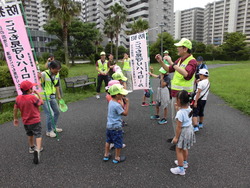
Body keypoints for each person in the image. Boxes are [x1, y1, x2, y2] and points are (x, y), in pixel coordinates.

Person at [155, 38, 197, 151]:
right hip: (176, 94)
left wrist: (172, 63)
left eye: (179, 46)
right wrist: (161, 61)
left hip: (183, 95)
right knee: (175, 118)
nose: (177, 48)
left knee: (181, 119)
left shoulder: (192, 61)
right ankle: (177, 138)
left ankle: (180, 142)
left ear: (185, 48)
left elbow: (186, 74)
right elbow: (168, 69)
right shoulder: (180, 60)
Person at [13, 80, 44, 164]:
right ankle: (38, 149)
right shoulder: (32, 97)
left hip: (26, 121)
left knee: (30, 134)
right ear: (30, 90)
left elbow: (15, 108)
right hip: (35, 120)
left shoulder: (18, 98)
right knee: (38, 134)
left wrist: (15, 118)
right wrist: (38, 94)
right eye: (32, 88)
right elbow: (41, 103)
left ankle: (31, 147)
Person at [170, 90, 195, 176]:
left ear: (179, 101)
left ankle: (181, 169)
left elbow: (179, 126)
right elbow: (184, 115)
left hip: (183, 132)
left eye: (176, 99)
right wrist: (178, 109)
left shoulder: (180, 113)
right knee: (185, 147)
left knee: (179, 149)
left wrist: (176, 137)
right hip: (189, 130)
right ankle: (184, 162)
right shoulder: (189, 108)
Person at [103, 84, 129, 164]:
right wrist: (127, 103)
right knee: (118, 142)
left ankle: (106, 155)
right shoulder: (117, 105)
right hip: (116, 127)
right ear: (117, 95)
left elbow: (118, 108)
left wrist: (121, 102)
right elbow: (125, 113)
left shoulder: (111, 101)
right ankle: (117, 158)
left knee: (108, 141)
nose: (123, 95)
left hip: (109, 126)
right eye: (121, 94)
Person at [41, 60, 63, 138]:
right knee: (50, 114)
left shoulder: (57, 74)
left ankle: (54, 127)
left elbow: (56, 85)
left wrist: (59, 95)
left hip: (52, 96)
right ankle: (49, 131)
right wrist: (38, 77)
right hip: (44, 97)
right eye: (56, 70)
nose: (57, 71)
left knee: (57, 112)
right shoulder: (43, 74)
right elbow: (37, 84)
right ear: (51, 68)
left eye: (59, 70)